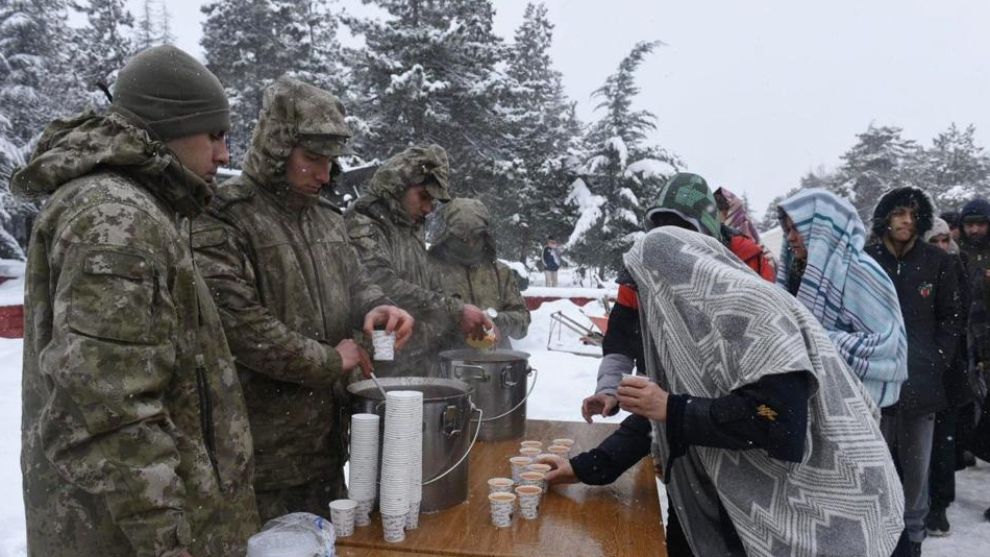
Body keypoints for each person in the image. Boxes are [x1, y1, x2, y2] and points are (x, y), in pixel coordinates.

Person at [13, 45, 259, 556]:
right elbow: (109, 411)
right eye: (214, 135)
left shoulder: (140, 207)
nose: (224, 155)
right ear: (171, 125)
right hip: (122, 540)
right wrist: (169, 543)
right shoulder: (115, 220)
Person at [550, 227, 904, 556]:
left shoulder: (756, 311)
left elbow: (779, 420)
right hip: (744, 502)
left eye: (643, 289)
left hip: (821, 505)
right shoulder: (687, 327)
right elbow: (655, 418)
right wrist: (585, 468)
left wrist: (675, 409)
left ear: (669, 277)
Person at [191, 76, 414, 520]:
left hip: (328, 445)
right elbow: (238, 324)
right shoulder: (225, 217)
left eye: (330, 161)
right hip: (260, 457)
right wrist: (330, 361)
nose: (324, 174)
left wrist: (377, 307)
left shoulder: (327, 219)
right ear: (277, 148)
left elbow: (354, 285)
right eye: (311, 158)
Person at [582, 173, 776, 422]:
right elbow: (621, 336)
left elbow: (763, 364)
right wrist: (609, 389)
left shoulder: (746, 263)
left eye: (683, 241)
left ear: (705, 235)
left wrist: (692, 411)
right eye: (664, 240)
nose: (673, 256)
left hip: (732, 400)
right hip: (661, 388)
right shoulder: (643, 268)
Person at [865, 187, 963, 557]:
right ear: (885, 217)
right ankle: (877, 537)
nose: (906, 220)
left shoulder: (937, 263)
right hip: (875, 384)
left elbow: (951, 318)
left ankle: (914, 540)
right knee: (875, 469)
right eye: (898, 212)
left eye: (912, 213)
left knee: (916, 474)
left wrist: (936, 357)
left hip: (922, 387)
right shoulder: (867, 259)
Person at [345, 145, 492, 377]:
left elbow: (423, 286)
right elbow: (380, 282)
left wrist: (457, 322)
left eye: (433, 201)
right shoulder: (365, 223)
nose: (427, 208)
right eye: (423, 196)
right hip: (378, 367)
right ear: (398, 185)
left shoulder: (410, 226)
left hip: (415, 362)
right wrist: (455, 311)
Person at [777, 188, 908, 407]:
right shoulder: (798, 272)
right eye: (786, 229)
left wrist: (814, 339)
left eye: (797, 229)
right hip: (818, 396)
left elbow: (886, 344)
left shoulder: (861, 272)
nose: (790, 237)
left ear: (821, 228)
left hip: (860, 401)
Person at [923, 217, 974, 537]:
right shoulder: (914, 270)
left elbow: (963, 318)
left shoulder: (959, 268)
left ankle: (939, 506)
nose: (943, 246)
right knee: (918, 443)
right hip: (922, 368)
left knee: (943, 441)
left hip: (950, 368)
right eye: (935, 241)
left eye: (945, 240)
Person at [428, 198, 530, 350]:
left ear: (485, 235)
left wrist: (494, 319)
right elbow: (417, 317)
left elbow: (522, 322)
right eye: (462, 238)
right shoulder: (429, 269)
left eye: (476, 236)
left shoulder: (500, 272)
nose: (470, 243)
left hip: (496, 361)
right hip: (445, 363)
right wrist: (456, 320)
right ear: (449, 235)